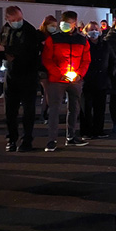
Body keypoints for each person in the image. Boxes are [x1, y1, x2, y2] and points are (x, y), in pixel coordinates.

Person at [41, 11, 91, 152]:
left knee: (74, 108)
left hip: (75, 79)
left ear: (75, 23)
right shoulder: (53, 39)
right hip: (57, 79)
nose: (65, 25)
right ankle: (52, 140)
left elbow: (86, 60)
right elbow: (47, 59)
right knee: (54, 109)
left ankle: (71, 136)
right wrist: (59, 74)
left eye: (68, 23)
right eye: (64, 23)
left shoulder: (82, 40)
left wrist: (79, 74)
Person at [0, 6, 42, 152]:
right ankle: (11, 139)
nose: (18, 22)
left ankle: (26, 140)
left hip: (28, 74)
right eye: (14, 19)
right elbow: (2, 44)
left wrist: (6, 51)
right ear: (8, 19)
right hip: (11, 74)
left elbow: (27, 51)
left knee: (28, 110)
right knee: (10, 110)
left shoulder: (29, 31)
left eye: (20, 18)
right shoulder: (5, 29)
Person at [81, 22, 116, 139]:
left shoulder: (105, 45)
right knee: (86, 108)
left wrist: (110, 74)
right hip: (87, 81)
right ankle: (86, 131)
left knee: (100, 108)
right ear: (86, 31)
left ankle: (98, 130)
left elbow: (113, 60)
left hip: (102, 80)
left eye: (96, 29)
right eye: (91, 29)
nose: (94, 31)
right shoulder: (83, 44)